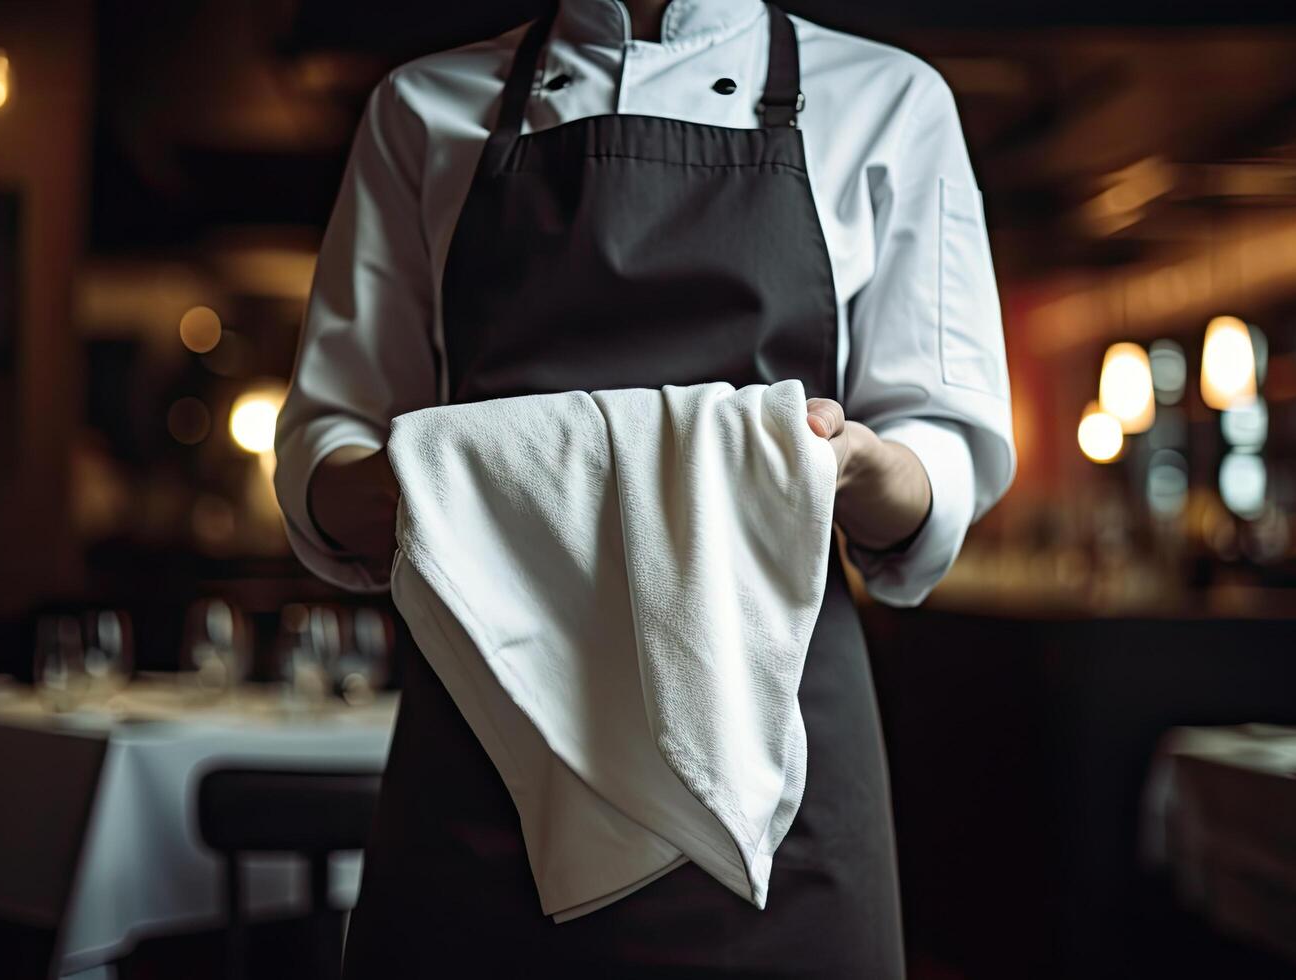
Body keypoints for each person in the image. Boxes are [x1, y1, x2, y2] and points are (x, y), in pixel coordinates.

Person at [273, 0, 1016, 975]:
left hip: (780, 754)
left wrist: (850, 463)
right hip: (488, 738)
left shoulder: (890, 102)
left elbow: (941, 453)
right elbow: (329, 448)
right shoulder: (420, 110)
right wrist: (437, 477)